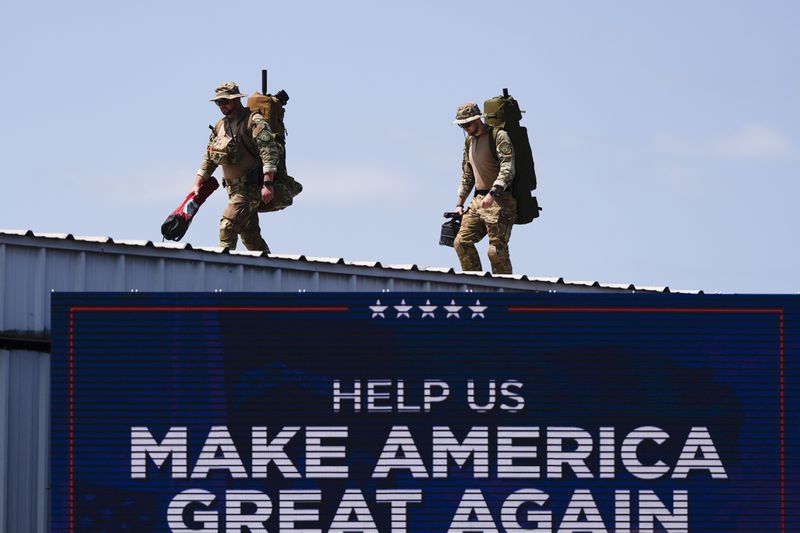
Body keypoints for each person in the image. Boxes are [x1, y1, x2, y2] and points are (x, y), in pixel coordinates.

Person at [191, 82, 280, 251]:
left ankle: (223, 268)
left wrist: (268, 184)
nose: (222, 105)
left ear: (236, 99)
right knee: (250, 237)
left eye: (225, 101)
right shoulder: (220, 126)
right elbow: (209, 158)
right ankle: (269, 271)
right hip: (233, 190)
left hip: (250, 188)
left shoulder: (253, 121)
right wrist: (197, 184)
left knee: (228, 226)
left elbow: (269, 151)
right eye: (218, 102)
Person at [452, 102, 517, 274]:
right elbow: (467, 175)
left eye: (468, 124)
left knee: (495, 251)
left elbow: (507, 168)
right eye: (462, 125)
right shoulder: (469, 143)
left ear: (478, 119)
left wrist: (493, 193)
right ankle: (476, 284)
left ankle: (504, 292)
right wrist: (459, 204)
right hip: (478, 201)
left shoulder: (498, 136)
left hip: (500, 199)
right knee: (461, 242)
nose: (466, 128)